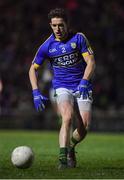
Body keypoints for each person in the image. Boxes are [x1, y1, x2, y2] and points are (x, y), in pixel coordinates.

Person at [29, 8, 96, 169]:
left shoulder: (79, 38)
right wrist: (35, 91)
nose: (57, 29)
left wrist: (85, 81)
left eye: (61, 25)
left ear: (67, 24)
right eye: (54, 25)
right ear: (50, 26)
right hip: (62, 86)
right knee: (66, 117)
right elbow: (32, 69)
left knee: (84, 126)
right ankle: (62, 159)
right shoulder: (47, 46)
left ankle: (71, 148)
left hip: (82, 86)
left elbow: (91, 62)